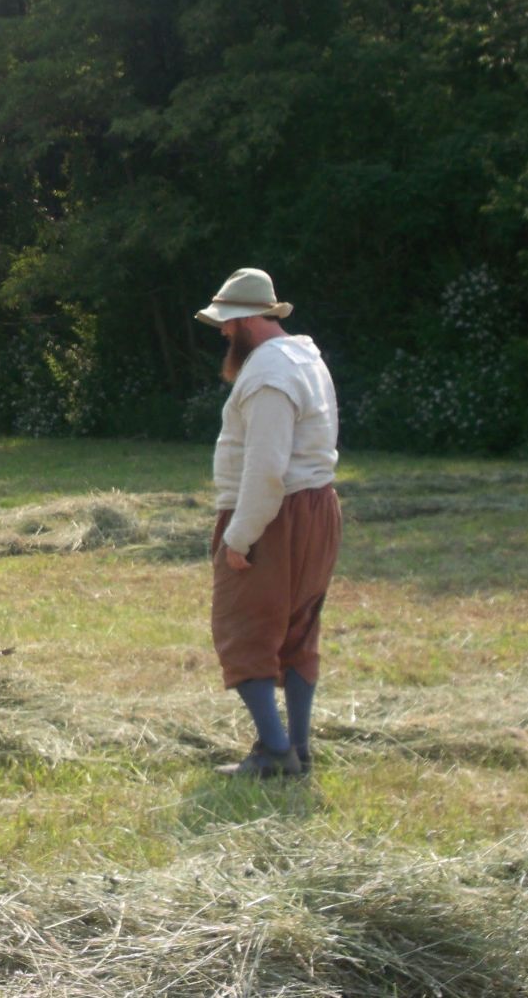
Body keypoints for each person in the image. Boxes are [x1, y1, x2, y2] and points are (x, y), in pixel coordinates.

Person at [195, 268, 342, 777]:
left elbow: (266, 470)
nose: (223, 333)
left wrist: (239, 537)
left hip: (276, 517)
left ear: (251, 321)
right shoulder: (305, 356)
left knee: (243, 628)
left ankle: (278, 752)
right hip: (317, 508)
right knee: (298, 630)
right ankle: (296, 749)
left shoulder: (268, 376)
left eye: (229, 324)